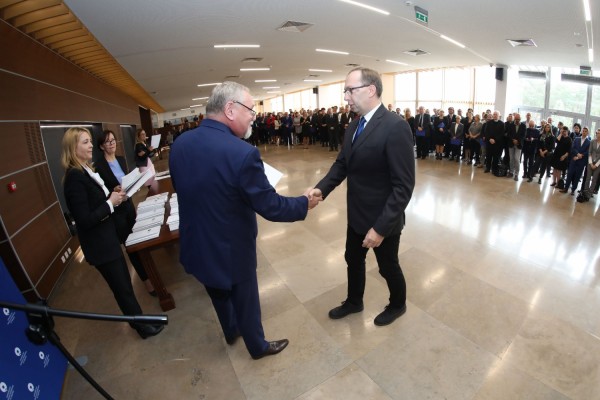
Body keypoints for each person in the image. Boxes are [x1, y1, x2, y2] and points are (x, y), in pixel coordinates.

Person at [169, 82, 320, 360]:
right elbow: (271, 206)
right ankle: (258, 346)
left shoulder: (181, 143)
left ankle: (230, 331)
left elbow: (185, 187)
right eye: (250, 109)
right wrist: (303, 202)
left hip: (196, 241)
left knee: (216, 291)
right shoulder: (242, 153)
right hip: (231, 246)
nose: (254, 115)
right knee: (246, 298)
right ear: (230, 109)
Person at [309, 67, 415, 327]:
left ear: (370, 90)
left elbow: (403, 186)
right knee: (352, 260)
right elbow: (342, 164)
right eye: (345, 91)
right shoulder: (354, 125)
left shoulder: (395, 127)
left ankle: (398, 304)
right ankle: (355, 301)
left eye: (350, 90)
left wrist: (380, 228)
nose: (346, 97)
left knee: (387, 266)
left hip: (383, 219)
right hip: (356, 214)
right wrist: (320, 189)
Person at [61, 127, 164, 339]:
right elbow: (85, 219)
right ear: (73, 147)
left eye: (90, 141)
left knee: (125, 283)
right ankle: (141, 328)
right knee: (122, 288)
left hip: (107, 237)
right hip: (99, 245)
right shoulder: (74, 178)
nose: (90, 146)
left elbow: (95, 202)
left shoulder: (84, 171)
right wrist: (110, 203)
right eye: (85, 142)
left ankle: (141, 319)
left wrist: (113, 194)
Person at [94, 130, 156, 296]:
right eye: (107, 142)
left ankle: (150, 272)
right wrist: (111, 191)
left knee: (139, 239)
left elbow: (127, 181)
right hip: (116, 213)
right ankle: (147, 282)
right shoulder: (98, 166)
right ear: (101, 146)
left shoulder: (120, 160)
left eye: (113, 140)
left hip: (128, 205)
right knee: (131, 246)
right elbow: (100, 193)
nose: (112, 144)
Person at [561, 126, 591, 195]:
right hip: (573, 160)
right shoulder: (576, 139)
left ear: (588, 133)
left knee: (577, 176)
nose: (584, 132)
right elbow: (572, 148)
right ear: (581, 131)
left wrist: (580, 156)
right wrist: (577, 154)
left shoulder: (589, 142)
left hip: (581, 161)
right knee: (569, 174)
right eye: (583, 131)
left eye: (585, 131)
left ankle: (573, 190)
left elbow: (588, 152)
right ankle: (565, 188)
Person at [580, 128, 600, 201]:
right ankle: (585, 193)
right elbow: (589, 153)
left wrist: (596, 165)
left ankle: (589, 194)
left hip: (598, 164)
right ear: (596, 133)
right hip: (590, 162)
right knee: (587, 178)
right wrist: (591, 163)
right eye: (597, 133)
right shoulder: (592, 141)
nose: (598, 134)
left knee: (594, 179)